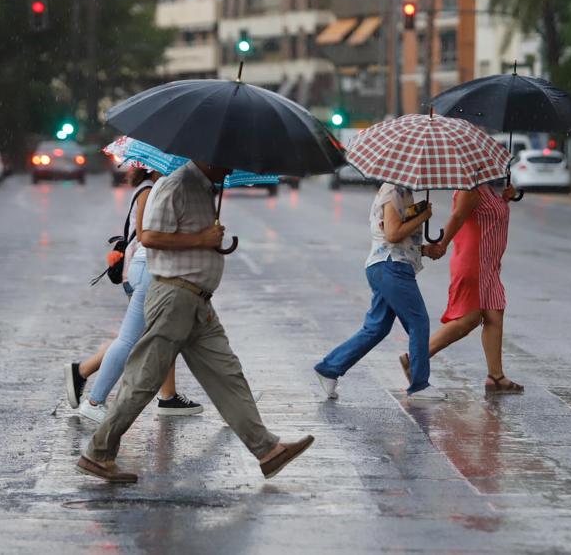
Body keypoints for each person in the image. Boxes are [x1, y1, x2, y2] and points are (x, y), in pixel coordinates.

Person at [77, 160, 314, 483]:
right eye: (225, 161)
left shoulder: (203, 186)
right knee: (145, 376)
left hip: (197, 301)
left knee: (226, 373)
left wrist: (210, 242)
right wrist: (202, 240)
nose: (230, 168)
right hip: (175, 295)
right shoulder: (175, 185)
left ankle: (267, 450)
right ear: (206, 156)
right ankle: (98, 452)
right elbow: (149, 236)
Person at [64, 166, 202, 423]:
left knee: (150, 336)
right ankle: (92, 393)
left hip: (142, 267)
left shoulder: (150, 189)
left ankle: (163, 396)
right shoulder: (149, 191)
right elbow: (146, 234)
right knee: (134, 340)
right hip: (148, 267)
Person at [314, 183, 447, 402]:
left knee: (377, 328)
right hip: (391, 266)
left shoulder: (402, 191)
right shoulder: (393, 191)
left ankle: (329, 368)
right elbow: (392, 234)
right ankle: (420, 385)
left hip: (387, 265)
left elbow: (397, 238)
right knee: (418, 322)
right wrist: (423, 216)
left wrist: (424, 250)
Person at [404, 181, 524, 393]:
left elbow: (489, 215)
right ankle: (415, 358)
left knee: (495, 315)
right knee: (468, 320)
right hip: (474, 262)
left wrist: (507, 196)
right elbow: (458, 217)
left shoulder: (487, 187)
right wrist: (442, 244)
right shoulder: (470, 189)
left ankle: (496, 377)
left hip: (490, 264)